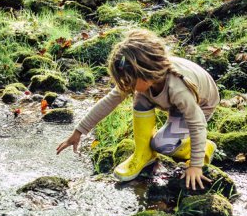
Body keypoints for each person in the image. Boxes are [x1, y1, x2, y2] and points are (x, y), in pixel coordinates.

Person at [55, 29, 218, 190]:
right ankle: (143, 154)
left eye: (129, 81)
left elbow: (197, 123)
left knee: (162, 144)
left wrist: (196, 166)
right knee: (140, 96)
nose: (126, 86)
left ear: (145, 72)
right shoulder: (144, 79)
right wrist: (78, 132)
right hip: (174, 102)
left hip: (201, 105)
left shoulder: (178, 89)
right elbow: (108, 102)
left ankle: (204, 148)